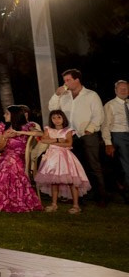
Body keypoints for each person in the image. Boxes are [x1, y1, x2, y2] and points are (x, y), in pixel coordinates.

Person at [49, 69, 107, 205]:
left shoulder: (91, 95)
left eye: (68, 80)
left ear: (77, 80)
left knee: (93, 166)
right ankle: (80, 197)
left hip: (87, 135)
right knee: (75, 168)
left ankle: (101, 196)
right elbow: (52, 109)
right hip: (70, 136)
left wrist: (89, 129)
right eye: (64, 80)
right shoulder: (64, 96)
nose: (65, 83)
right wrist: (56, 95)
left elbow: (98, 114)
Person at [0, 105, 43, 212]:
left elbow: (39, 133)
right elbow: (0, 147)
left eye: (7, 113)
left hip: (19, 157)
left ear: (14, 115)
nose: (4, 115)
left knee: (10, 162)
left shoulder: (28, 125)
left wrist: (19, 133)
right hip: (6, 157)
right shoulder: (6, 129)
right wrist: (4, 136)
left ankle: (5, 201)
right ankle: (0, 201)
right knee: (6, 162)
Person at [35, 110, 91, 213]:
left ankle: (76, 205)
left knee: (71, 181)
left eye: (59, 117)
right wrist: (58, 140)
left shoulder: (68, 130)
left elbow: (68, 144)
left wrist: (52, 141)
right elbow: (43, 140)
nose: (56, 120)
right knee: (54, 181)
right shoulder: (48, 129)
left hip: (65, 157)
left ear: (63, 118)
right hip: (52, 158)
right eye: (54, 118)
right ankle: (54, 204)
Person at [102, 80, 129, 203]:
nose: (123, 90)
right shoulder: (110, 105)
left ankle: (124, 188)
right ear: (115, 90)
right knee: (126, 165)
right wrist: (108, 143)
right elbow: (105, 125)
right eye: (121, 88)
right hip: (119, 135)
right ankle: (127, 193)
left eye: (126, 88)